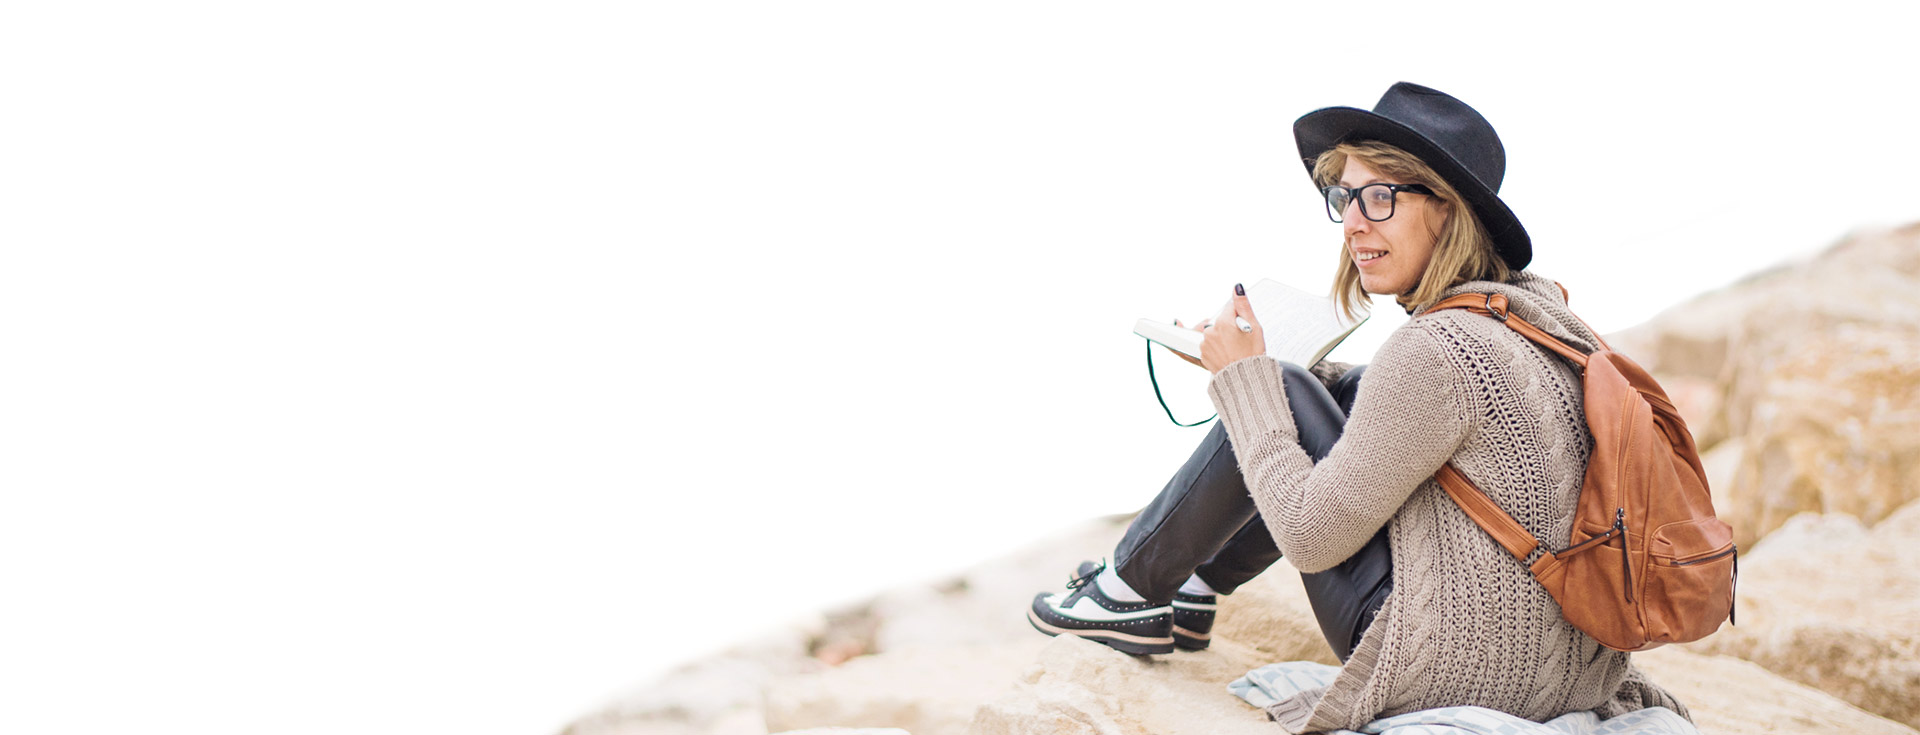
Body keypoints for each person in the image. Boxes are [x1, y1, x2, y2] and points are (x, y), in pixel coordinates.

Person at [1026, 82, 1689, 732]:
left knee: (1277, 390)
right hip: (1561, 667)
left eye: (1380, 197)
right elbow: (1407, 417)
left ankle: (1124, 594)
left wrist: (1247, 380)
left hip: (1460, 668)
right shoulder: (1539, 319)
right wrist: (1258, 370)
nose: (1351, 222)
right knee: (1331, 385)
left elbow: (1310, 535)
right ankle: (1194, 587)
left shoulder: (1437, 347)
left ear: (1448, 209)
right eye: (1344, 196)